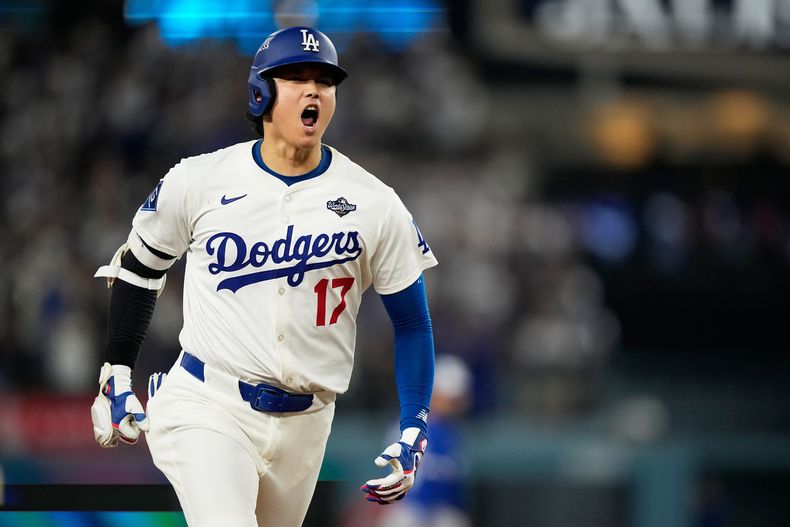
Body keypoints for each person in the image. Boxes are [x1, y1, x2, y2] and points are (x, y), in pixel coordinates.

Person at [89, 26, 438, 527]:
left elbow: (413, 324)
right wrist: (115, 370)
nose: (313, 89)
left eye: (325, 80)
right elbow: (141, 266)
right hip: (210, 403)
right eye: (295, 77)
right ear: (261, 92)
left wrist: (413, 424)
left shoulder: (374, 202)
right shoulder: (201, 178)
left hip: (308, 422)